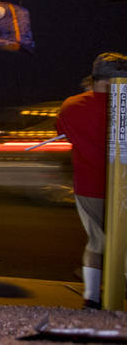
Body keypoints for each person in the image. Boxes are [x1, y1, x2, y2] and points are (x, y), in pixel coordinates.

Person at [55, 51, 127, 310]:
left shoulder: (72, 106)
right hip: (123, 188)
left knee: (96, 242)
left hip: (88, 188)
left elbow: (63, 133)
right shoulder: (123, 105)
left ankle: (92, 299)